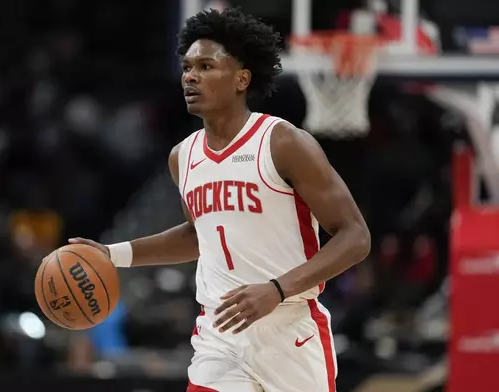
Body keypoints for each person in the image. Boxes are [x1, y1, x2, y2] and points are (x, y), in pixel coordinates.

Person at [69, 7, 370, 392]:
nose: (191, 76)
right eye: (187, 67)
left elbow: (355, 237)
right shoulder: (183, 156)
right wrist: (113, 254)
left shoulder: (282, 142)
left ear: (242, 78)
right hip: (219, 336)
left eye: (207, 66)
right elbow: (200, 236)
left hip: (290, 331)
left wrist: (277, 289)